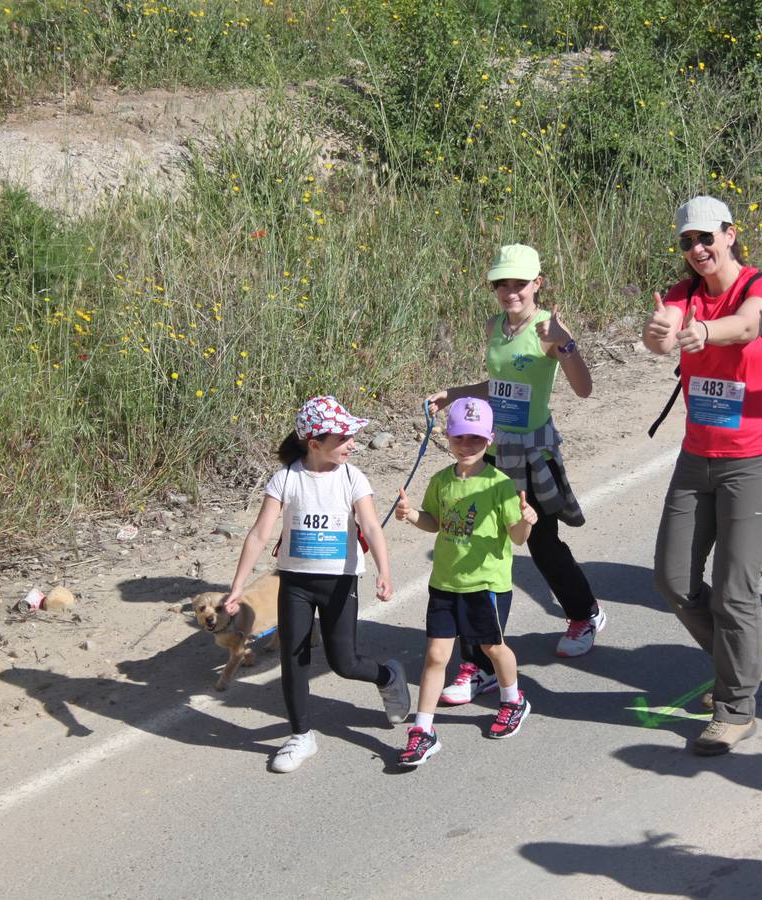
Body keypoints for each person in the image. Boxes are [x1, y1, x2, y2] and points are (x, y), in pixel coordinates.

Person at [642, 194, 762, 756]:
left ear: (731, 234)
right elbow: (662, 334)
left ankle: (735, 705)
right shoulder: (683, 294)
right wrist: (660, 333)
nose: (698, 249)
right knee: (672, 578)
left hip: (758, 454)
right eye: (687, 242)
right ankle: (745, 656)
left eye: (707, 238)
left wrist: (707, 334)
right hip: (698, 453)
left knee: (736, 589)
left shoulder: (761, 287)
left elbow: (751, 323)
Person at [427, 243, 603, 712]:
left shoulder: (547, 330)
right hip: (494, 448)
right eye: (501, 284)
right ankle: (478, 664)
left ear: (537, 284)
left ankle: (583, 614)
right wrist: (455, 394)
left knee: (541, 543)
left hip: (534, 453)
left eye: (519, 283)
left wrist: (565, 343)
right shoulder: (494, 328)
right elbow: (500, 385)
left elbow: (584, 389)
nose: (510, 292)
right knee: (479, 545)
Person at [222, 395, 411, 774]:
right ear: (314, 444)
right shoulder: (286, 478)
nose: (352, 444)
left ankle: (388, 676)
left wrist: (384, 571)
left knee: (345, 662)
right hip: (294, 583)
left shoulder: (353, 477)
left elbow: (372, 527)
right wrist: (238, 586)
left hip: (339, 583)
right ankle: (301, 735)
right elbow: (260, 533)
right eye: (342, 439)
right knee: (294, 660)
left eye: (352, 437)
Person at [393, 397, 538, 766]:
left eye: (475, 439)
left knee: (492, 648)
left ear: (489, 439)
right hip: (445, 582)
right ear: (447, 437)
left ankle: (513, 700)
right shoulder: (442, 480)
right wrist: (411, 515)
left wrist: (527, 520)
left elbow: (518, 538)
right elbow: (435, 522)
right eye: (460, 438)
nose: (467, 445)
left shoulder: (500, 485)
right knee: (436, 656)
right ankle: (423, 730)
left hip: (486, 585)